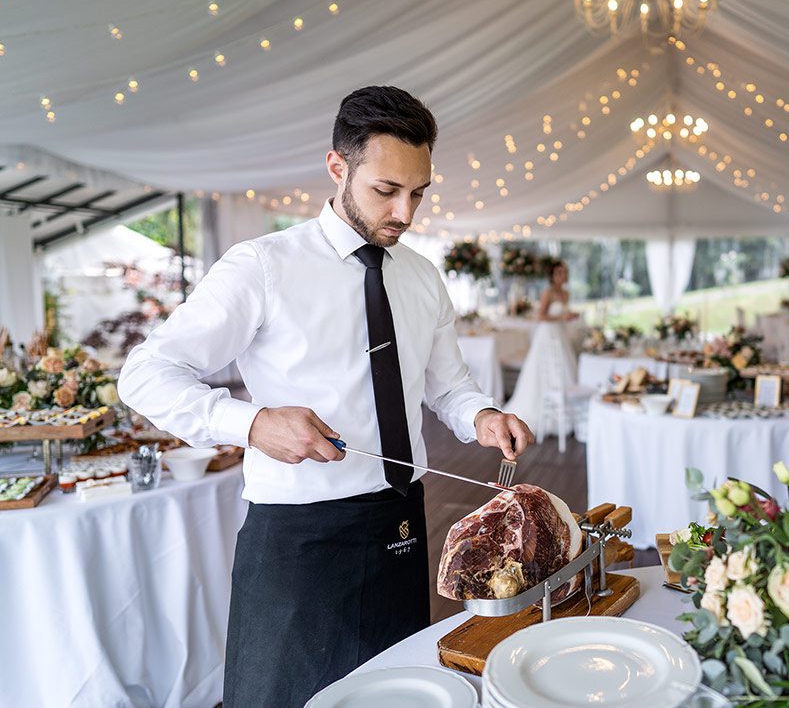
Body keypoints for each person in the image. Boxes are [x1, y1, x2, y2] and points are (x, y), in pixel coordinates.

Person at [118, 86, 534, 707]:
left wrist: (483, 416)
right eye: (386, 191)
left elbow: (450, 387)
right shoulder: (261, 265)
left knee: (400, 695)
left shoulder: (422, 276)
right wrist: (253, 424)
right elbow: (146, 372)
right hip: (298, 538)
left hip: (401, 520)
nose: (405, 213)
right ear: (337, 167)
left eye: (418, 192)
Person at [504, 260, 581, 437]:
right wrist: (562, 316)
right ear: (552, 275)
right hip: (548, 334)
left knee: (564, 369)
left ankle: (566, 416)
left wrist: (568, 317)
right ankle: (545, 412)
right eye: (559, 272)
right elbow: (541, 316)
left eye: (564, 272)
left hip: (560, 334)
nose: (563, 276)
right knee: (544, 369)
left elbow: (562, 315)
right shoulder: (548, 292)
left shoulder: (566, 293)